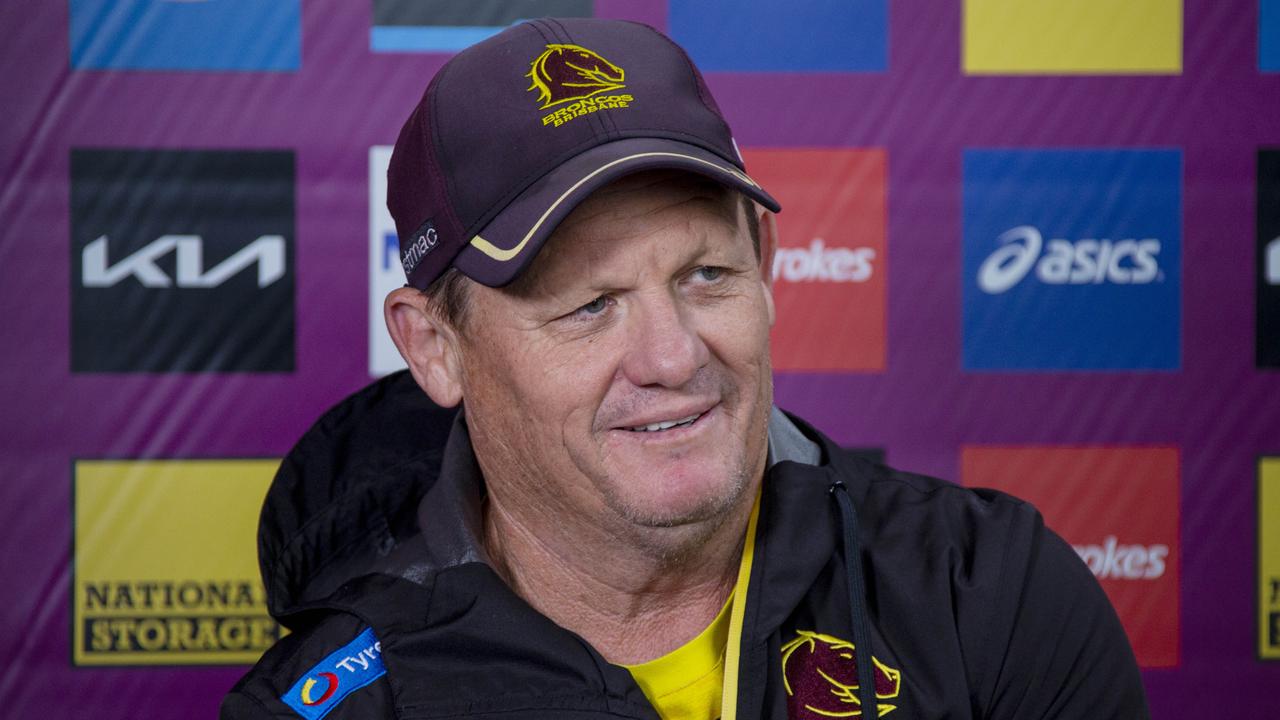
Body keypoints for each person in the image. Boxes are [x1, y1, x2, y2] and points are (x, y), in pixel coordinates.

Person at [222, 17, 1149, 720]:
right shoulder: (337, 701)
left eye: (706, 275)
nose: (672, 356)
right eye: (589, 305)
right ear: (436, 346)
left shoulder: (986, 593)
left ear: (768, 265)